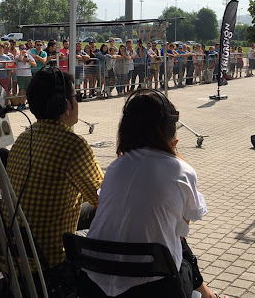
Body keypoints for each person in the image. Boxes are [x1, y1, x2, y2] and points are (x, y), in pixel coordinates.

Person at [84, 89, 216, 298]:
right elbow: (183, 229)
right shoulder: (181, 170)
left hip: (94, 281)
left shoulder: (116, 167)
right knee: (182, 250)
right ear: (168, 129)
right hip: (153, 287)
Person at [6, 67, 103, 271]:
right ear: (64, 104)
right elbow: (103, 199)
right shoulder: (73, 145)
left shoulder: (24, 138)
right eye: (75, 97)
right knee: (107, 209)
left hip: (14, 261)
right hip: (51, 265)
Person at [15, 44, 36, 110]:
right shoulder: (17, 56)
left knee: (26, 90)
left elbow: (34, 64)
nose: (23, 50)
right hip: (20, 75)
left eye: (24, 48)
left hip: (28, 75)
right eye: (21, 49)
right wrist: (22, 54)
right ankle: (20, 103)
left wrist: (28, 60)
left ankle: (24, 103)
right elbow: (20, 60)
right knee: (21, 90)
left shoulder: (29, 56)